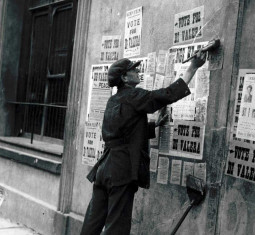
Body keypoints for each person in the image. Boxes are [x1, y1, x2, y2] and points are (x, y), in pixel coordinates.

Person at [80, 50, 207, 235]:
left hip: (103, 169)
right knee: (117, 228)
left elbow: (122, 132)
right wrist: (193, 68)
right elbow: (167, 95)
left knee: (91, 225)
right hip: (121, 170)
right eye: (133, 70)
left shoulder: (113, 100)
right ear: (124, 77)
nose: (137, 72)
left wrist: (154, 125)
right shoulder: (134, 95)